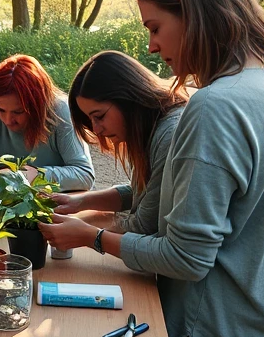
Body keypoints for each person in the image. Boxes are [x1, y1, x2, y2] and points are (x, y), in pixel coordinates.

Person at [39, 0, 264, 337]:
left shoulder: (216, 106)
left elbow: (184, 257)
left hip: (220, 335)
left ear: (196, 14)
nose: (151, 47)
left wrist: (93, 237)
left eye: (155, 27)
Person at [50, 51, 186, 234]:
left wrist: (87, 234)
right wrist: (80, 202)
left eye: (99, 116)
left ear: (129, 97)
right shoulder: (150, 127)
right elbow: (145, 194)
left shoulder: (168, 134)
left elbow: (144, 226)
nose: (96, 130)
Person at [0, 55, 94, 193]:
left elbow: (84, 174)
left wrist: (38, 175)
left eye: (18, 112)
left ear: (38, 105)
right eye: (1, 110)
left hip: (56, 204)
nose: (8, 120)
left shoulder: (61, 112)